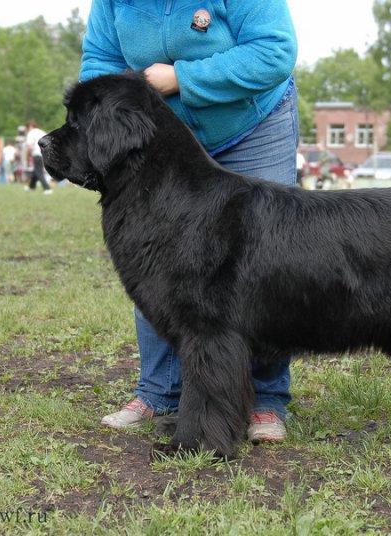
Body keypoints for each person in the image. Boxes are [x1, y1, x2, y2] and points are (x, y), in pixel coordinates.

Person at [81, 0, 299, 442]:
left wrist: (181, 78)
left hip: (251, 125)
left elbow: (273, 51)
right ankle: (161, 390)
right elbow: (99, 63)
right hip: (164, 139)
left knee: (263, 263)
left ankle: (265, 399)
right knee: (155, 258)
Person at [24, 120, 52, 194]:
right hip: (45, 154)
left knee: (39, 172)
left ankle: (47, 189)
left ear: (30, 127)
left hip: (37, 154)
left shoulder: (31, 133)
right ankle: (31, 187)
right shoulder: (41, 132)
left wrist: (28, 158)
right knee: (36, 171)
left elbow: (29, 146)